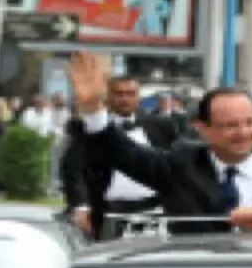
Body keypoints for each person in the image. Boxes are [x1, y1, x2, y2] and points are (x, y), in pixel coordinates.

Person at [67, 52, 252, 233]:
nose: (243, 133)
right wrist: (92, 109)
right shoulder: (180, 166)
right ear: (203, 129)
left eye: (250, 123)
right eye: (230, 125)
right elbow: (123, 152)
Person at [61, 75, 182, 240]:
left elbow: (176, 164)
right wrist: (81, 206)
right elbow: (74, 168)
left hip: (155, 210)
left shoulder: (161, 125)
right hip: (108, 211)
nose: (125, 99)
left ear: (139, 96)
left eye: (131, 94)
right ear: (108, 96)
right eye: (119, 93)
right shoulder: (89, 127)